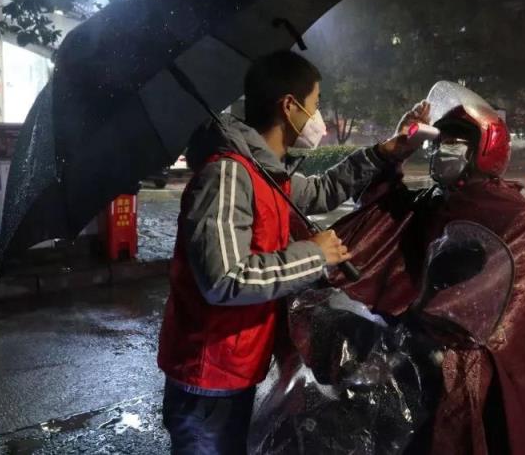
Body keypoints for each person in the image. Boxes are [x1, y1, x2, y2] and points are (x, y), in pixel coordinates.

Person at [157, 50, 430, 454]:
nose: (317, 117)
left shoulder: (265, 172)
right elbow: (225, 279)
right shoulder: (228, 173)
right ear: (289, 106)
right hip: (207, 381)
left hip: (234, 370)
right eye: (315, 104)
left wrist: (386, 152)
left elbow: (323, 190)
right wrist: (314, 255)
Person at [330, 82, 525, 454]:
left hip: (477, 348)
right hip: (424, 339)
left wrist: (433, 328)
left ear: (484, 150)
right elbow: (384, 209)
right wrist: (396, 152)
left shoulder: (510, 210)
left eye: (454, 142)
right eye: (440, 142)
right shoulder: (441, 198)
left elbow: (499, 293)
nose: (442, 150)